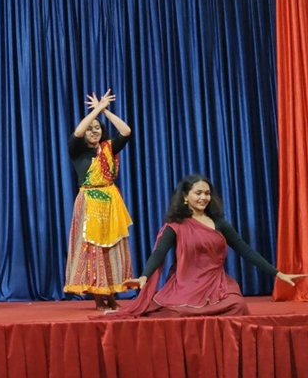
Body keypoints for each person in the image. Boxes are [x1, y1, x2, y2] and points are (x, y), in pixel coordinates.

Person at [113, 175, 306, 317]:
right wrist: (144, 276)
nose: (204, 197)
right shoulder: (175, 226)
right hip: (185, 285)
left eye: (207, 193)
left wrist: (278, 274)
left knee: (237, 306)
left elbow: (245, 250)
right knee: (174, 314)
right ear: (185, 197)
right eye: (198, 193)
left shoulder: (219, 223)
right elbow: (159, 253)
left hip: (217, 284)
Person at [63, 89, 133, 310]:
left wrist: (105, 111)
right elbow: (78, 131)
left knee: (112, 248)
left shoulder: (108, 149)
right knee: (93, 249)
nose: (93, 131)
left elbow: (126, 131)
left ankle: (111, 296)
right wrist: (95, 112)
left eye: (97, 128)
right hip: (89, 203)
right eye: (90, 129)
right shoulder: (77, 151)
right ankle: (98, 298)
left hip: (110, 202)